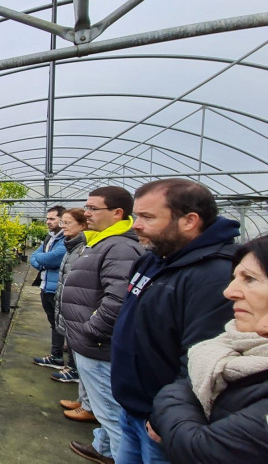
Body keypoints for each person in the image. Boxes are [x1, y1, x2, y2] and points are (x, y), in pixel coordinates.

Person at [110, 179, 239, 463]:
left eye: (147, 217)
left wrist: (165, 416)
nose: (135, 225)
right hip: (132, 409)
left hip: (161, 426)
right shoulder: (154, 259)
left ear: (189, 220)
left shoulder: (216, 275)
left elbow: (202, 359)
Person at [148, 235, 268, 463]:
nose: (229, 292)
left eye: (250, 279)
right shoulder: (229, 344)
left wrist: (167, 404)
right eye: (235, 278)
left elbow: (199, 450)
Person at [61, 186, 145, 463]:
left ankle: (116, 453)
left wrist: (91, 330)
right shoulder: (104, 240)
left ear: (117, 213)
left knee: (111, 412)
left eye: (92, 208)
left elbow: (118, 299)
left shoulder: (120, 246)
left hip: (97, 344)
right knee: (108, 409)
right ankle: (103, 449)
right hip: (91, 343)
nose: (86, 213)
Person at [50, 208, 96, 424]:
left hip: (82, 312)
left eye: (67, 222)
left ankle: (89, 406)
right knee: (80, 358)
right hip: (70, 306)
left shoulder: (86, 248)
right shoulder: (73, 246)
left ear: (83, 225)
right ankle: (84, 401)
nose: (63, 226)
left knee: (89, 364)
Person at [31, 205, 67, 367]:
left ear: (62, 220)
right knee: (53, 323)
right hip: (45, 285)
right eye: (47, 218)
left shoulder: (66, 239)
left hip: (56, 288)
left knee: (59, 324)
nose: (48, 222)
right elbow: (34, 257)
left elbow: (52, 259)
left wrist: (43, 259)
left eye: (52, 218)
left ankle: (57, 357)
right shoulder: (49, 238)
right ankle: (56, 355)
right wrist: (43, 261)